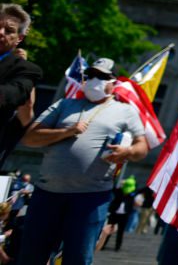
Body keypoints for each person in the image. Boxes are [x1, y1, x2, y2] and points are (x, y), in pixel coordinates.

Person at [18, 56, 148, 265]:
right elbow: (30, 138)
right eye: (91, 75)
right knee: (30, 256)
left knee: (77, 258)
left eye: (102, 77)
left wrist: (128, 151)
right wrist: (66, 132)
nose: (95, 80)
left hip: (90, 198)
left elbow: (142, 147)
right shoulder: (65, 104)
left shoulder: (126, 111)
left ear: (113, 82)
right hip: (47, 194)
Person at [0, 4, 42, 168]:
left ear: (19, 38)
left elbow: (13, 94)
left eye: (9, 30)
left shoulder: (27, 70)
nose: (1, 33)